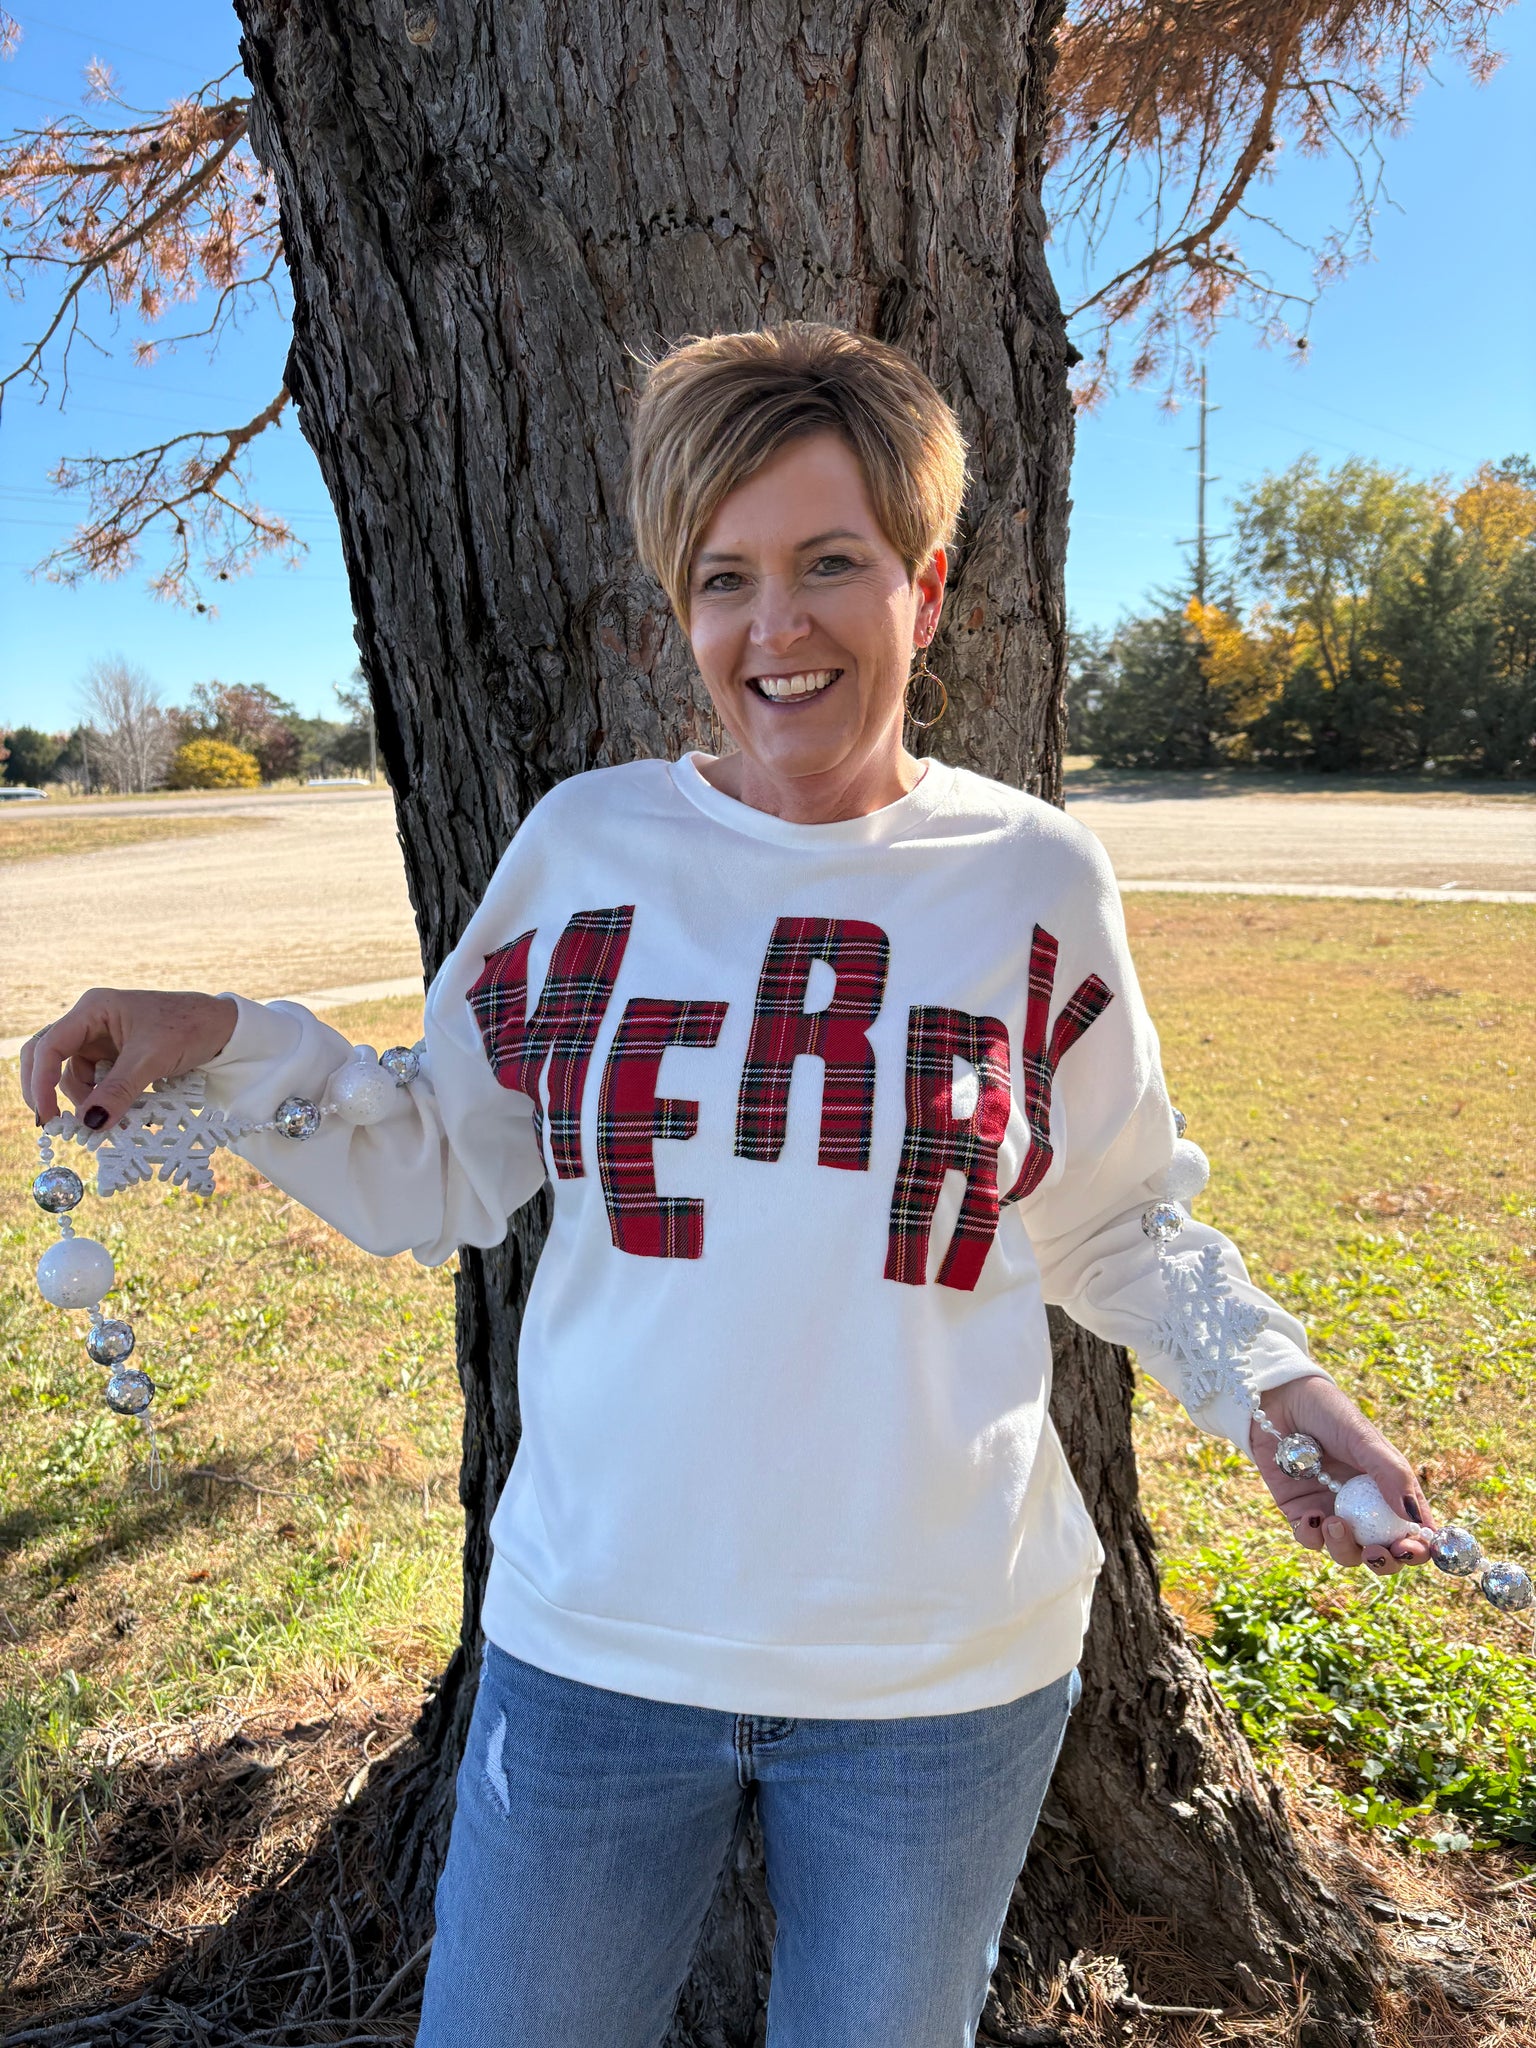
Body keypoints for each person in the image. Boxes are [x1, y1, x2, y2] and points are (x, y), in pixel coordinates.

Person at [19, 322, 1436, 2047]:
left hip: (941, 1675)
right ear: (682, 611)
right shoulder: (586, 850)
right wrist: (228, 1038)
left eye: (831, 562)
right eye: (724, 578)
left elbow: (1111, 1214)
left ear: (924, 588)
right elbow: (433, 1165)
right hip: (597, 1650)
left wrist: (1279, 1389)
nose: (778, 628)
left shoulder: (1035, 880)